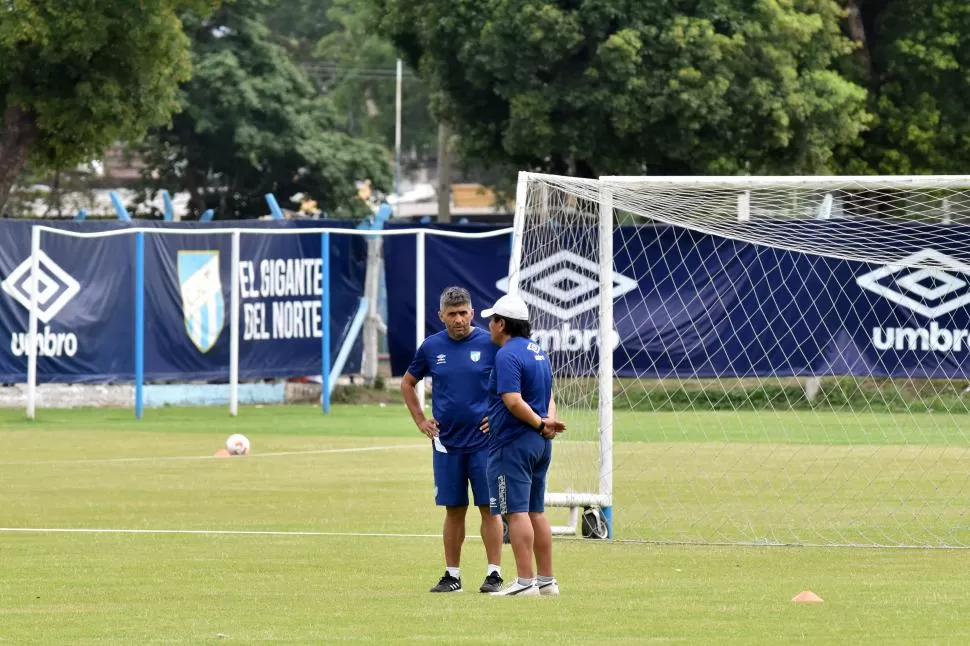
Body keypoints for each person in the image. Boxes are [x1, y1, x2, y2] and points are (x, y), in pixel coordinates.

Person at [401, 286, 506, 593]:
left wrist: (500, 416)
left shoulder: (492, 343)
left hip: (487, 443)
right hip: (446, 443)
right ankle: (452, 575)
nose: (459, 319)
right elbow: (408, 384)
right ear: (441, 316)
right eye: (452, 314)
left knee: (490, 508)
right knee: (454, 509)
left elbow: (515, 383)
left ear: (473, 313)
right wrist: (421, 419)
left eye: (463, 313)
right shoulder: (431, 347)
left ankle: (495, 574)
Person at [481, 293, 566, 597]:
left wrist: (540, 424)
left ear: (502, 324)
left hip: (513, 444)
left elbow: (513, 401)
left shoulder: (506, 354)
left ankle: (524, 582)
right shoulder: (538, 352)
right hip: (540, 444)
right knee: (535, 512)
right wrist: (547, 424)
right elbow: (549, 397)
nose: (489, 325)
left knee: (515, 512)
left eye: (492, 320)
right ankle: (546, 581)